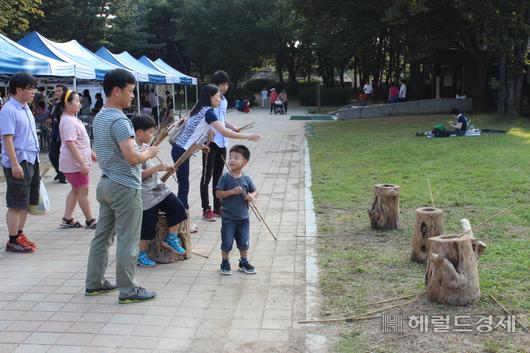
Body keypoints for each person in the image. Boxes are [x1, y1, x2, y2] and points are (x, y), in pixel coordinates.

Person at [85, 69, 160, 304]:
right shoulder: (119, 120)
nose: (132, 96)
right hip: (125, 186)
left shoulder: (100, 116)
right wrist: (149, 152)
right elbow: (132, 158)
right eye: (130, 91)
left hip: (106, 184)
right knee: (128, 238)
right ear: (116, 91)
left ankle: (94, 283)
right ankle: (128, 289)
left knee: (102, 237)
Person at [171, 84, 260, 232]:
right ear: (210, 97)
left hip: (179, 149)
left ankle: (183, 220)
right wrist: (248, 137)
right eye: (218, 96)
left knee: (183, 185)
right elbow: (224, 132)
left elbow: (194, 131)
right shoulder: (208, 112)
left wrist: (202, 145)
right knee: (184, 186)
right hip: (181, 151)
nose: (219, 99)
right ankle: (183, 222)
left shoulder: (198, 108)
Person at [132, 114, 187, 267]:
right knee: (147, 227)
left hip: (158, 189)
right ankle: (141, 255)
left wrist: (164, 168)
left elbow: (150, 168)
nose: (152, 135)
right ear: (139, 132)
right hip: (145, 194)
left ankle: (171, 237)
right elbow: (137, 176)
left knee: (178, 208)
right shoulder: (133, 150)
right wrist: (158, 167)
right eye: (150, 132)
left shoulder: (144, 147)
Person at [0, 72, 40, 253]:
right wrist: (14, 164)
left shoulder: (25, 108)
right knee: (16, 202)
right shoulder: (9, 110)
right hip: (19, 161)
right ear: (18, 90)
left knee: (26, 201)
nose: (33, 92)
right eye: (30, 89)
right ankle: (12, 239)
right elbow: (7, 139)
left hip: (32, 159)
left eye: (33, 88)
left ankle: (20, 234)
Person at [201, 71, 240, 222]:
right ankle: (206, 208)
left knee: (219, 176)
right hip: (210, 142)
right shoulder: (207, 101)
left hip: (222, 141)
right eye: (222, 85)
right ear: (215, 85)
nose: (225, 87)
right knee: (206, 176)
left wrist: (232, 126)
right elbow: (204, 120)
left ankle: (218, 207)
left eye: (226, 84)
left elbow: (222, 120)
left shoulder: (223, 101)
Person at [58, 89, 98, 229]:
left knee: (76, 190)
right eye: (76, 101)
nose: (79, 104)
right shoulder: (68, 121)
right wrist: (82, 163)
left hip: (74, 163)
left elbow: (80, 142)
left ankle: (67, 219)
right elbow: (70, 144)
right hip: (75, 164)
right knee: (82, 191)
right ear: (67, 103)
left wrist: (91, 153)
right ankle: (90, 220)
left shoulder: (71, 118)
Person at [216, 144, 258, 275]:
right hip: (228, 218)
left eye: (236, 158)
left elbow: (255, 191)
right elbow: (218, 194)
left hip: (244, 218)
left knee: (244, 242)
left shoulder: (246, 179)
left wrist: (251, 196)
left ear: (244, 162)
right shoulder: (225, 177)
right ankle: (225, 261)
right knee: (227, 242)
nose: (231, 160)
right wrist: (232, 191)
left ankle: (243, 262)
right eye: (230, 157)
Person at [49, 85, 68, 184]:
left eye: (59, 91)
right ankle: (59, 171)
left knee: (62, 155)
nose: (57, 93)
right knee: (52, 155)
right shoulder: (55, 104)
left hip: (63, 135)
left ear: (64, 92)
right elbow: (51, 116)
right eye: (56, 91)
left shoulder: (66, 105)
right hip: (55, 134)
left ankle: (63, 175)